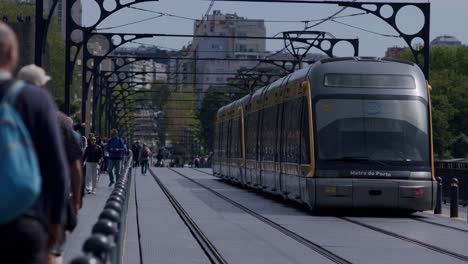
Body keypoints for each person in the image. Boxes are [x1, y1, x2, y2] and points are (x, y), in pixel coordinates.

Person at [0, 22, 69, 263]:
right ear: (11, 53)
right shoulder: (34, 99)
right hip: (24, 222)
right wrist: (55, 223)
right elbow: (57, 170)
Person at [18, 64, 84, 264]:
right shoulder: (62, 121)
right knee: (51, 254)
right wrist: (75, 201)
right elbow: (74, 167)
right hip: (47, 203)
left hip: (14, 201)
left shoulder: (7, 111)